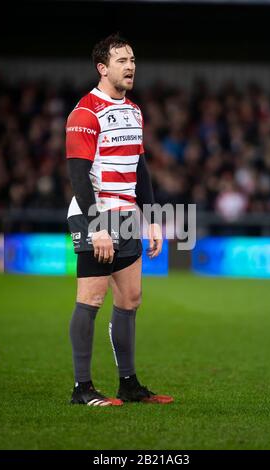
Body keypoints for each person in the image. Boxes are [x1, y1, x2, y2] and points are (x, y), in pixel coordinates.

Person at [66, 33, 174, 407]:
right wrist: (96, 226)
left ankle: (128, 384)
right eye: (122, 61)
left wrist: (154, 219)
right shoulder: (84, 112)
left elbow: (140, 170)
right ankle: (82, 390)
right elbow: (78, 175)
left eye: (132, 59)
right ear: (102, 67)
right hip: (93, 215)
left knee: (130, 298)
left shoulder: (134, 111)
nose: (130, 66)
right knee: (91, 299)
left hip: (128, 215)